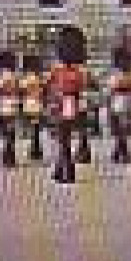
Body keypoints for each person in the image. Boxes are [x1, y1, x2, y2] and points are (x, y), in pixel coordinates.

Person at [47, 26, 90, 185]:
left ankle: (68, 171)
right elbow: (83, 86)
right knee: (66, 139)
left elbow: (49, 86)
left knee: (63, 139)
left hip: (62, 103)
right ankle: (60, 170)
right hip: (75, 103)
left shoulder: (57, 70)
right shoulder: (81, 72)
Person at [108, 44, 131, 165]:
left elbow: (114, 88)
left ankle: (123, 153)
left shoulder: (125, 74)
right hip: (120, 101)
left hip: (123, 102)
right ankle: (119, 152)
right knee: (120, 130)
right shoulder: (120, 74)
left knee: (122, 130)